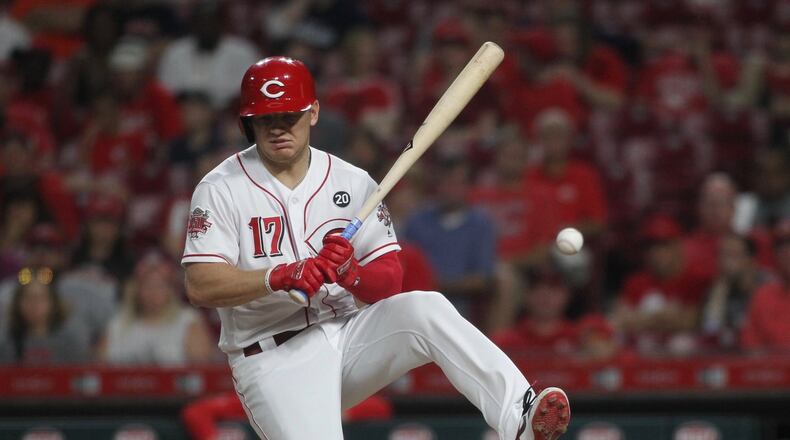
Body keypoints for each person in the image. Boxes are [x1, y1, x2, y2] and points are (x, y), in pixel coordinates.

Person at [182, 56, 570, 440]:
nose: (279, 128)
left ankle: (519, 416)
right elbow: (200, 285)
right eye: (267, 118)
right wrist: (279, 275)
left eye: (289, 115)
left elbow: (389, 284)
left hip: (348, 336)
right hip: (271, 358)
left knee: (424, 307)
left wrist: (352, 273)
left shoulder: (352, 182)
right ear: (248, 123)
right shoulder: (221, 187)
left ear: (313, 113)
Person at [99, 251, 214, 365]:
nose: (153, 293)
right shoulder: (118, 324)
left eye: (159, 286)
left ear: (170, 290)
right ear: (137, 290)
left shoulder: (187, 321)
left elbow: (201, 367)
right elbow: (99, 365)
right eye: (147, 286)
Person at [0, 267, 90, 364]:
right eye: (28, 298)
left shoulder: (70, 341)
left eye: (40, 298)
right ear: (18, 303)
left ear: (53, 302)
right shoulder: (7, 341)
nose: (34, 305)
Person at [740, 217, 790, 352]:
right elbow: (751, 348)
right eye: (781, 245)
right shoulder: (762, 296)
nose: (787, 251)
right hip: (770, 371)